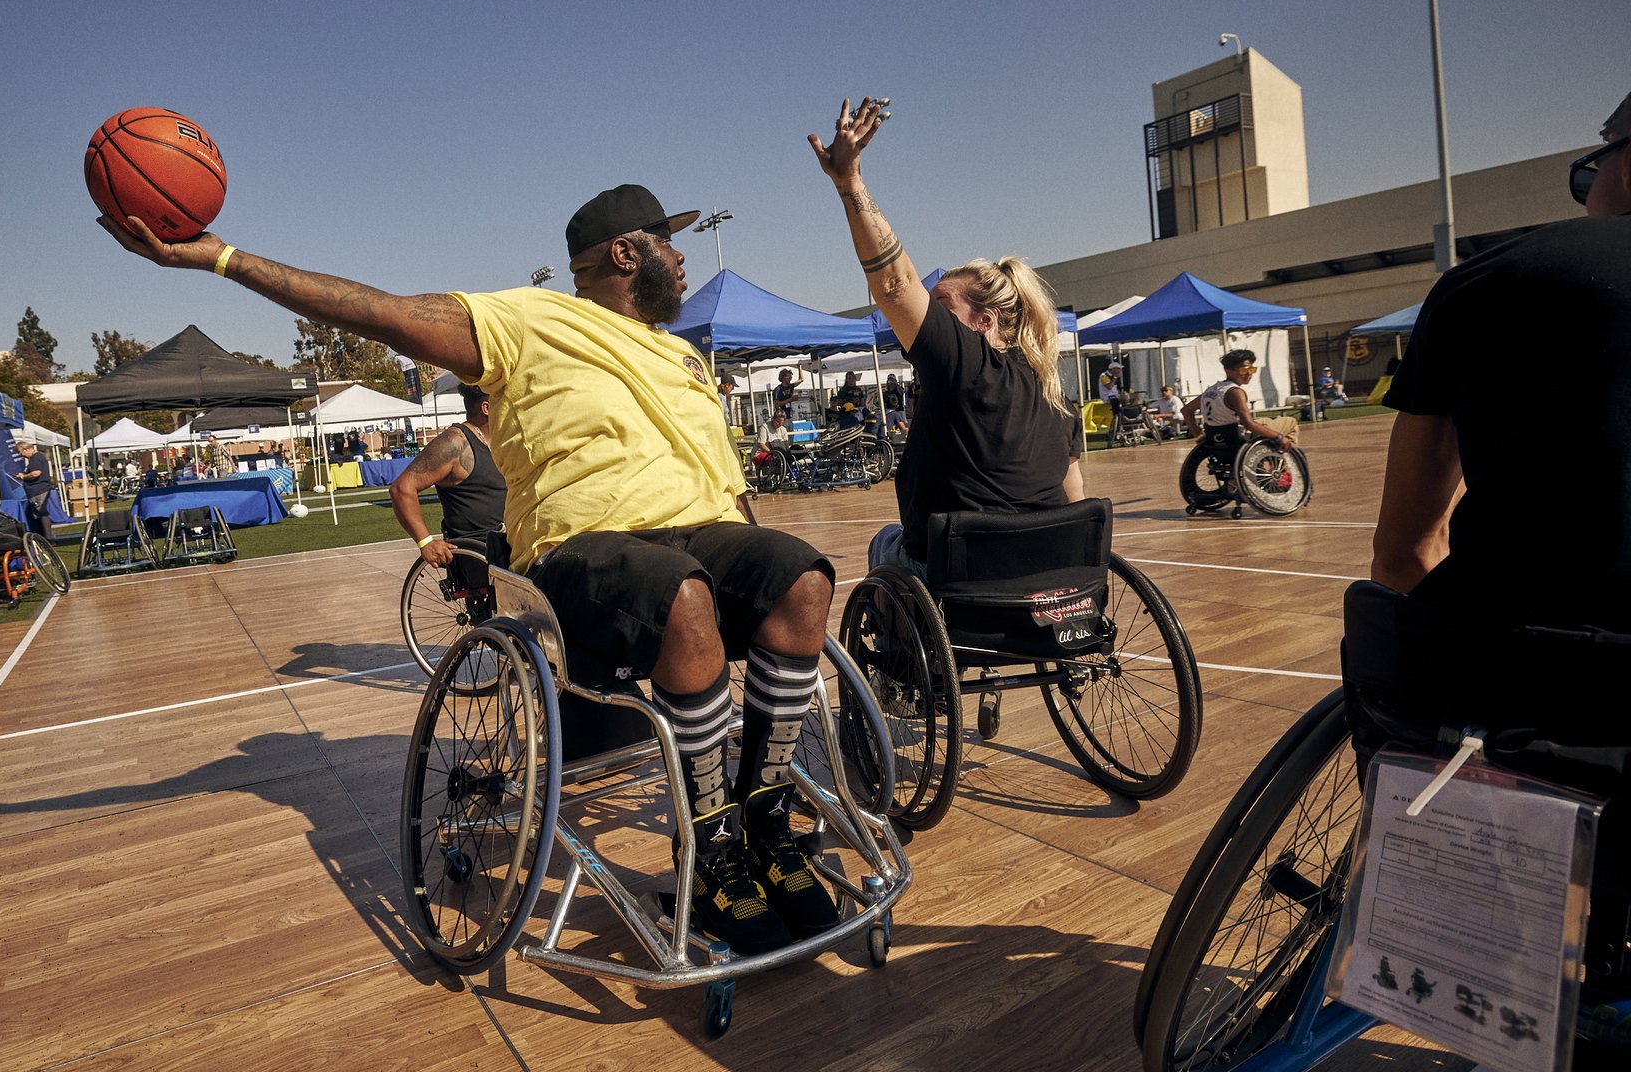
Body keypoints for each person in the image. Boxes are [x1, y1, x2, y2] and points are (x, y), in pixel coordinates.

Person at [100, 180, 841, 955]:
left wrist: (767, 590)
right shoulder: (534, 318)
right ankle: (712, 851)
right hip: (584, 547)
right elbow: (377, 310)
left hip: (702, 532)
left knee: (802, 577)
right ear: (627, 252)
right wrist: (223, 259)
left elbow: (729, 489)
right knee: (681, 598)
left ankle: (765, 817)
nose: (683, 256)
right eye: (670, 241)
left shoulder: (682, 354)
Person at [1374, 90, 1631, 629]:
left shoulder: (1489, 280)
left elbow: (1406, 551)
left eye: (1592, 169)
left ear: (1629, 166)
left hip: (1537, 672)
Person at [809, 96, 1084, 576]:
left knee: (885, 543)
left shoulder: (969, 366)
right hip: (1046, 573)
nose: (927, 315)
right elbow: (1075, 496)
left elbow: (895, 284)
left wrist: (849, 183)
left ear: (983, 322)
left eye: (941, 307)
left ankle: (908, 649)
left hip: (966, 571)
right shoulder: (1054, 395)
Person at [389, 384, 511, 576]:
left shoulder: (501, 441)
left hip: (510, 543)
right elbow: (401, 488)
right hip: (483, 553)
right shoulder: (455, 443)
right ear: (486, 408)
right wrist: (426, 542)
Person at [1182, 350, 1296, 453]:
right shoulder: (1235, 392)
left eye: (1252, 369)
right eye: (1244, 369)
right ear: (1228, 371)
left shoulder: (1211, 390)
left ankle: (1273, 457)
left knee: (1265, 420)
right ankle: (1283, 464)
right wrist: (1279, 437)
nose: (1249, 373)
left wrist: (1199, 437)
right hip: (1239, 437)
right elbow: (1249, 424)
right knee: (1291, 422)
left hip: (1216, 439)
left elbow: (1186, 410)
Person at [9, 441, 55, 540]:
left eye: (21, 453)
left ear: (25, 449)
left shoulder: (35, 458)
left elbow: (36, 473)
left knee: (41, 512)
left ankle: (48, 538)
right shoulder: (37, 458)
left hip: (38, 489)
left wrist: (23, 476)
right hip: (38, 489)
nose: (21, 455)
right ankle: (45, 536)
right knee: (39, 513)